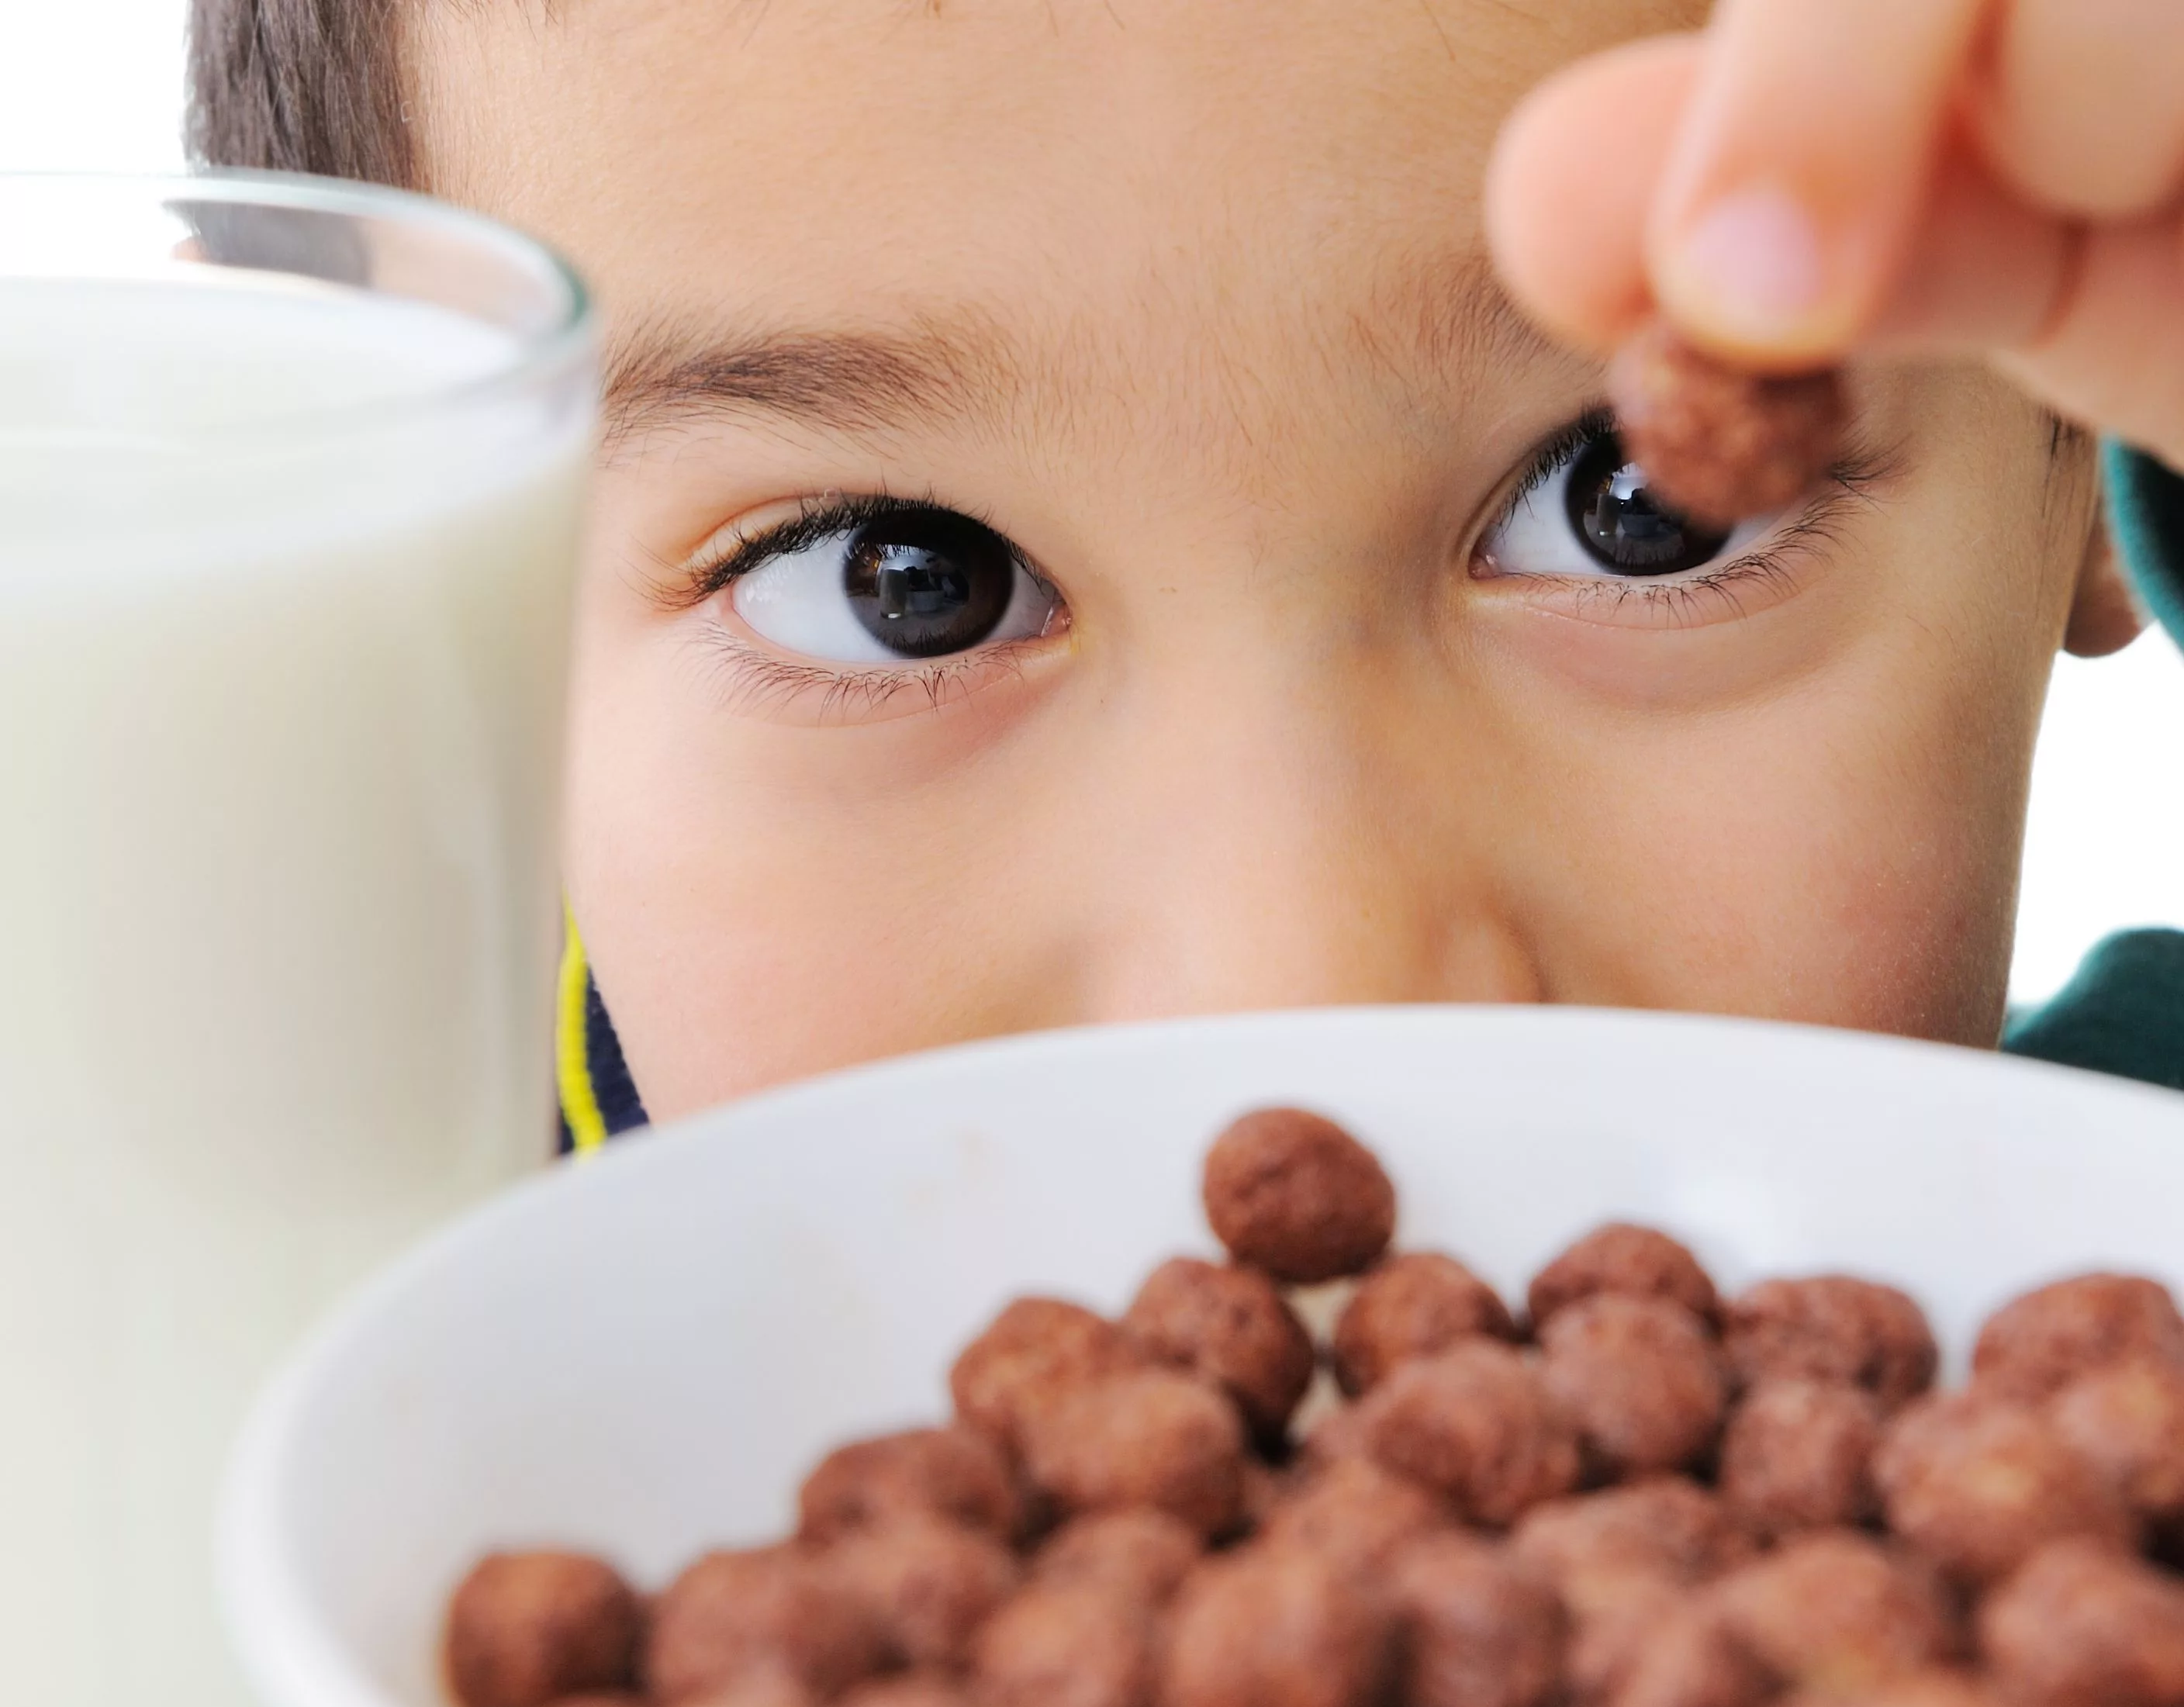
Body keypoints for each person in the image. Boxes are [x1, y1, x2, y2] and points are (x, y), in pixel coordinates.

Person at [188, 0, 2184, 1145]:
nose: (1303, 998)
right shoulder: (255, 1415)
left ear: (2091, 465)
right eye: (906, 582)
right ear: (367, 568)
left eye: (1627, 506)